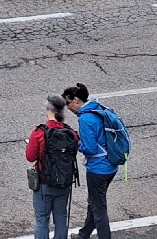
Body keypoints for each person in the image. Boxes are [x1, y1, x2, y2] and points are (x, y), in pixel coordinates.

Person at [63, 82, 117, 239]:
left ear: (77, 100)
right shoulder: (98, 109)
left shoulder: (85, 119)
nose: (68, 107)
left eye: (68, 103)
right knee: (94, 202)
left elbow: (90, 148)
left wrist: (76, 142)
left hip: (98, 169)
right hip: (110, 165)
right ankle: (83, 234)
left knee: (99, 207)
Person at [26, 94, 80, 239]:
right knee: (61, 217)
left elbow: (30, 157)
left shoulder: (39, 132)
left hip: (45, 183)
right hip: (64, 182)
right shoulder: (71, 133)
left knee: (42, 219)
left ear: (48, 109)